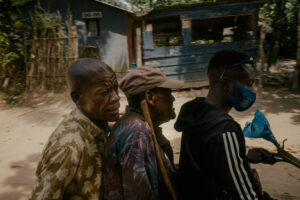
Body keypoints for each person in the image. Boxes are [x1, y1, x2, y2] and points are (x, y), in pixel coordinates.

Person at [174, 50, 275, 200]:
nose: (252, 91)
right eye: (248, 83)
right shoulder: (225, 130)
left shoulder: (195, 113)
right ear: (226, 84)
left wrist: (242, 158)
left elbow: (208, 161)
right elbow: (247, 196)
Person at [30, 58, 120, 200]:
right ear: (78, 98)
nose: (116, 98)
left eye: (116, 88)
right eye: (105, 93)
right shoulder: (68, 147)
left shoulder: (96, 124)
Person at [103, 66, 184, 200]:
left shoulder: (137, 124)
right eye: (168, 93)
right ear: (150, 97)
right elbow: (138, 194)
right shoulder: (137, 132)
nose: (173, 99)